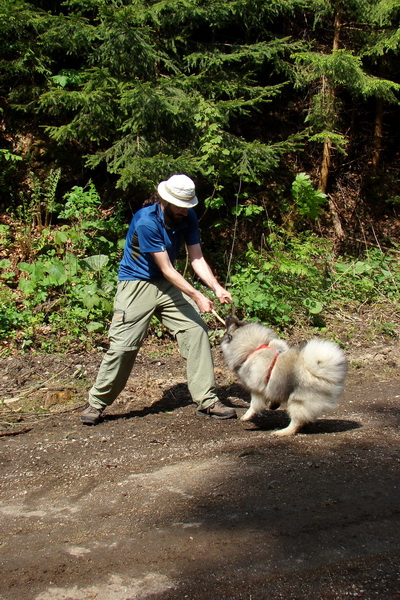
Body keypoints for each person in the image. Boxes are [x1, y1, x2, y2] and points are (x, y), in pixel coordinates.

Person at [81, 174, 237, 425]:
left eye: (188, 206)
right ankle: (97, 403)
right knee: (123, 347)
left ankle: (207, 400)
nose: (185, 211)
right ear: (166, 200)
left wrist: (216, 288)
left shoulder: (188, 217)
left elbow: (195, 257)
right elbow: (166, 268)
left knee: (196, 331)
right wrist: (197, 295)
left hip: (167, 286)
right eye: (180, 206)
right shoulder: (146, 222)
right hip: (136, 284)